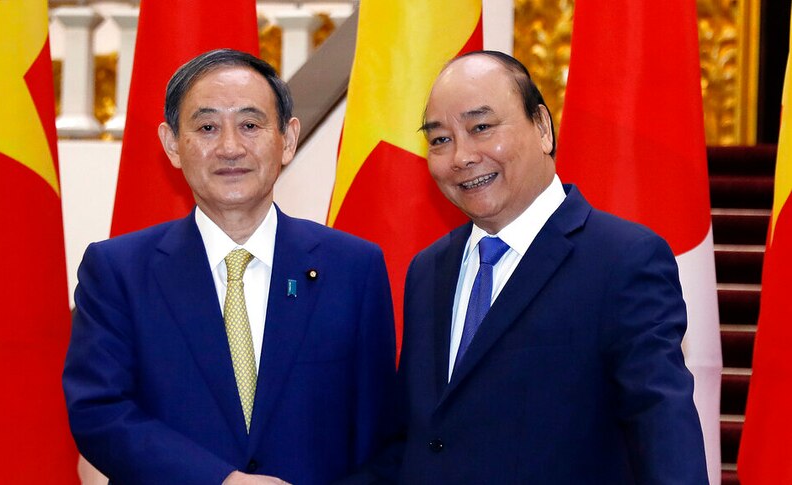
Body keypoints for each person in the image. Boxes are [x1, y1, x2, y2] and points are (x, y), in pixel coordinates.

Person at [62, 49, 397, 485]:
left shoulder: (355, 268)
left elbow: (381, 439)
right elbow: (100, 413)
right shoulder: (118, 271)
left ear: (288, 139)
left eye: (251, 125)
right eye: (206, 127)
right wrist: (221, 481)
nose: (230, 147)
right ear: (172, 144)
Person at [393, 50, 709, 483]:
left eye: (481, 127)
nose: (461, 156)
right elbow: (419, 440)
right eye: (439, 139)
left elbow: (663, 435)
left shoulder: (622, 260)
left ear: (542, 127)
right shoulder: (427, 270)